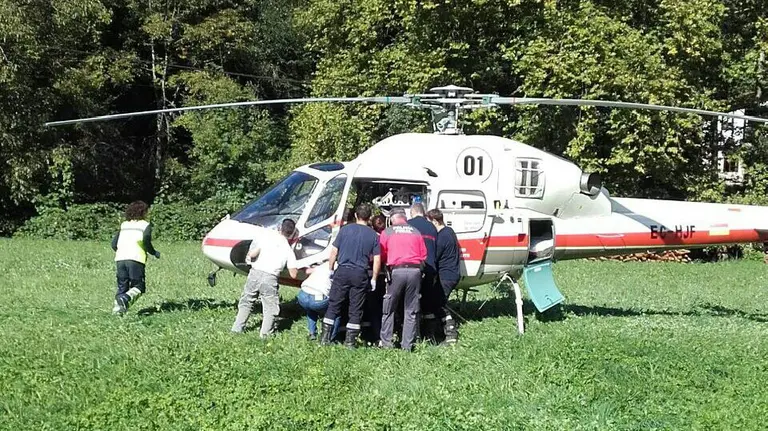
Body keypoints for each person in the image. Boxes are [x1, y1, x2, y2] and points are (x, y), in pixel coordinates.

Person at [321, 203, 381, 348]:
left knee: (334, 304)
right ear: (370, 217)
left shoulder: (345, 230)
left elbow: (334, 251)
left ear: (355, 215)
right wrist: (373, 278)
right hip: (360, 273)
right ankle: (350, 342)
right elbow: (377, 259)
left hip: (342, 270)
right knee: (356, 308)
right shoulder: (374, 235)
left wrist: (330, 269)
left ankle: (324, 339)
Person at [231, 219, 299, 338]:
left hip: (255, 273)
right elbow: (294, 274)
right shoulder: (288, 250)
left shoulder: (267, 238)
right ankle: (265, 334)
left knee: (247, 301)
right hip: (270, 278)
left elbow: (252, 254)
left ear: (279, 228)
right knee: (270, 307)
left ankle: (237, 328)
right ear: (292, 233)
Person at [379, 208, 427, 351]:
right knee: (411, 310)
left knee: (389, 308)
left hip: (396, 271)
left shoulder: (387, 232)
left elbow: (381, 255)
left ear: (392, 218)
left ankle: (386, 343)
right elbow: (424, 256)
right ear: (404, 218)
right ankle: (407, 345)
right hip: (415, 271)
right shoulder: (416, 232)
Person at [111, 200, 160, 314]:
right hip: (136, 259)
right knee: (139, 287)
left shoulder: (124, 225)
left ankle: (117, 311)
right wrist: (154, 253)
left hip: (120, 259)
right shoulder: (145, 225)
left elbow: (113, 244)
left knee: (122, 286)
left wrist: (122, 251)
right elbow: (146, 241)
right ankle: (125, 299)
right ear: (143, 212)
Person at [406, 202, 440, 342]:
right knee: (428, 301)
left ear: (412, 212)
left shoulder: (408, 226)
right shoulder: (432, 227)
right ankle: (430, 335)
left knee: (411, 301)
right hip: (430, 268)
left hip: (413, 268)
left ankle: (413, 334)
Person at [428, 208, 461, 344]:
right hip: (452, 274)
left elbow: (435, 257)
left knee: (438, 304)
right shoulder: (450, 232)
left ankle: (450, 332)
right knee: (439, 302)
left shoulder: (442, 237)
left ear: (435, 221)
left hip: (446, 275)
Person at [296, 262, 341, 341]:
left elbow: (308, 271)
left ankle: (312, 333)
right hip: (318, 295)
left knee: (311, 310)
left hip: (303, 294)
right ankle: (331, 338)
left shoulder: (325, 264)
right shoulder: (340, 268)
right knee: (335, 313)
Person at [361, 214, 387, 344]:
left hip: (370, 274)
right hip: (382, 275)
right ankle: (382, 334)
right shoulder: (384, 237)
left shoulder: (370, 237)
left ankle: (372, 334)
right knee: (381, 306)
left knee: (370, 306)